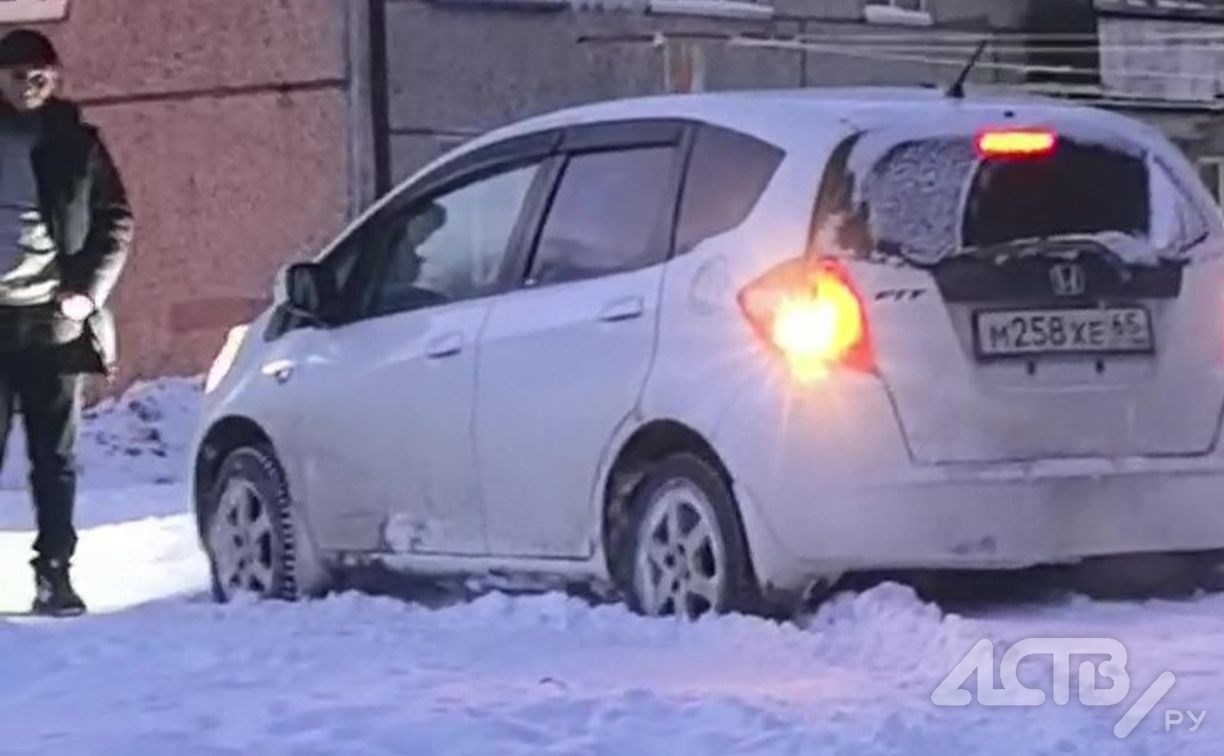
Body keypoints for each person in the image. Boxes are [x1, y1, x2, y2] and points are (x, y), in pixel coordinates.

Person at [0, 29, 133, 616]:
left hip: (53, 321)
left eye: (41, 75)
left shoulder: (78, 143)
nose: (29, 84)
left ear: (56, 79)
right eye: (16, 74)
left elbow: (116, 220)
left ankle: (55, 573)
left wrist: (87, 291)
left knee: (53, 458)